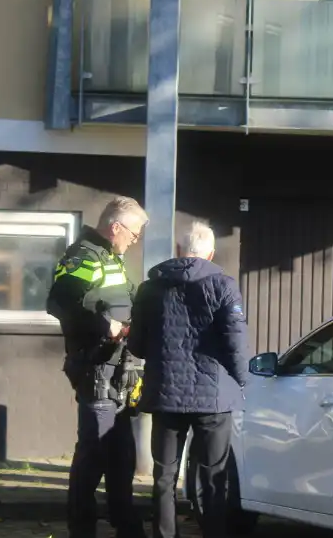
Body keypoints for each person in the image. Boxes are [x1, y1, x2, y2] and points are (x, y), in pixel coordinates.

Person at [128, 221, 249, 538]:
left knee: (164, 476)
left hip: (167, 394)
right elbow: (235, 342)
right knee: (213, 476)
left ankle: (164, 534)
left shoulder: (150, 288)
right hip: (214, 396)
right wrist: (242, 382)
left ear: (179, 251)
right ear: (210, 252)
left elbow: (137, 346)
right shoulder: (224, 286)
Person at [46, 197, 150, 538]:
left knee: (122, 454)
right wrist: (106, 326)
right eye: (133, 234)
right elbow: (60, 301)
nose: (135, 241)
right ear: (115, 227)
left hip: (119, 369)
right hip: (96, 367)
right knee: (92, 454)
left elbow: (121, 300)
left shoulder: (110, 258)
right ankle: (82, 528)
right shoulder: (84, 256)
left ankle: (126, 525)